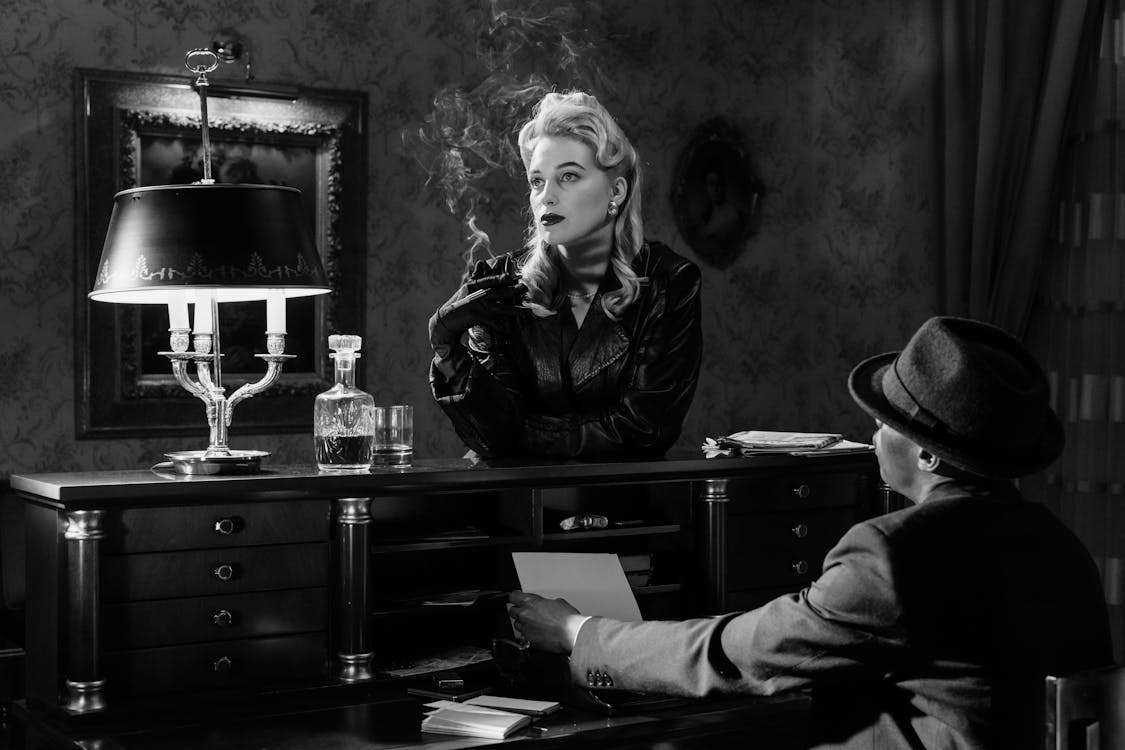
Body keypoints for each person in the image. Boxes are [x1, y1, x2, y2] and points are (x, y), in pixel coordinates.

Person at [508, 316, 1113, 749]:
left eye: (885, 421)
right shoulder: (1061, 546)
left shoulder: (892, 555)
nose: (874, 434)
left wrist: (575, 632)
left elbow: (734, 654)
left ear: (928, 457)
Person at [428, 91, 702, 458]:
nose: (547, 196)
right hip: (516, 507)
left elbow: (641, 431)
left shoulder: (669, 282)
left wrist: (513, 438)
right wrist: (447, 350)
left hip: (628, 509)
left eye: (569, 176)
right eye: (537, 181)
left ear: (616, 192)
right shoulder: (499, 284)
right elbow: (486, 432)